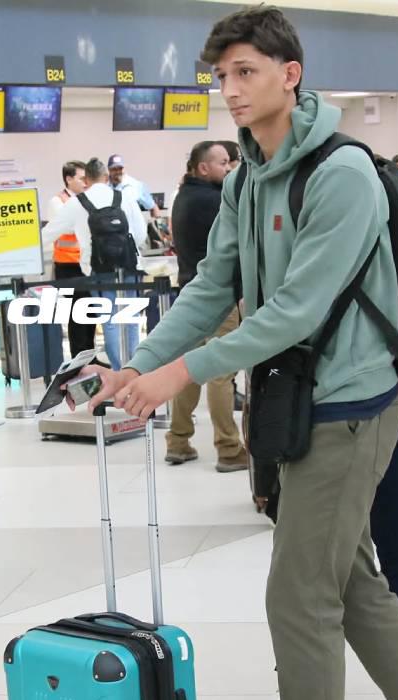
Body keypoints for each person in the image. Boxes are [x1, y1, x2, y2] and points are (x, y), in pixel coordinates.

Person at [81, 5, 398, 700]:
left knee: (299, 593)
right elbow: (211, 286)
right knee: (351, 582)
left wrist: (177, 377)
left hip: (351, 406)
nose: (229, 90)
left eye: (246, 73)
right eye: (221, 76)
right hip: (296, 402)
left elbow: (296, 310)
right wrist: (138, 363)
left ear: (289, 74)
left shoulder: (342, 173)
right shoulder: (247, 177)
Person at [165, 140, 248, 472]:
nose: (228, 169)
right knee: (220, 372)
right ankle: (228, 448)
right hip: (219, 297)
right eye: (223, 163)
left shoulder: (183, 197)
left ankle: (178, 441)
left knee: (189, 370)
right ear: (203, 167)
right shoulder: (214, 201)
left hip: (190, 292)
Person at [40, 157, 147, 370]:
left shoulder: (77, 203)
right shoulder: (124, 197)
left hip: (99, 272)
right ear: (106, 177)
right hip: (130, 269)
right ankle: (136, 371)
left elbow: (47, 234)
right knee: (131, 321)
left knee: (110, 323)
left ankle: (120, 372)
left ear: (86, 180)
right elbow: (141, 234)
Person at [46, 161, 92, 355]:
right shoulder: (58, 202)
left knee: (90, 313)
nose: (86, 182)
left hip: (86, 265)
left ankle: (90, 356)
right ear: (69, 179)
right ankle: (79, 358)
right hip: (67, 266)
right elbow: (71, 227)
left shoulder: (86, 200)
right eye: (82, 178)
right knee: (77, 315)